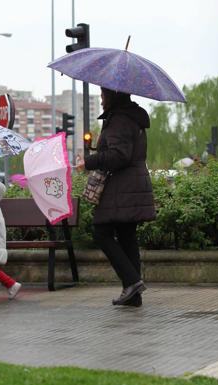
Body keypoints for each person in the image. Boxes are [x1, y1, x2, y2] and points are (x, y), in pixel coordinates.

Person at [76, 87, 156, 307]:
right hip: (132, 183)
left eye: (103, 95)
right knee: (127, 235)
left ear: (112, 95)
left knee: (101, 231)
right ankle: (133, 294)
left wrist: (88, 161)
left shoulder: (119, 119)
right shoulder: (131, 117)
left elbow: (119, 156)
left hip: (122, 186)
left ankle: (132, 282)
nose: (101, 100)